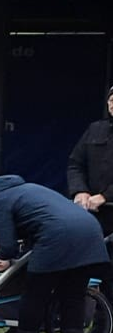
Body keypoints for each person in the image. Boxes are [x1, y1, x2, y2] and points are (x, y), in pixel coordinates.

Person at [0, 177, 111, 333]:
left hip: (58, 236)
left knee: (34, 295)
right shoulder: (25, 188)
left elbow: (7, 247)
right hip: (90, 231)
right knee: (73, 294)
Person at [65, 86, 113, 235]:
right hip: (90, 214)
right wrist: (80, 191)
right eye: (112, 100)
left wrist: (106, 196)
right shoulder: (95, 129)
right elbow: (75, 164)